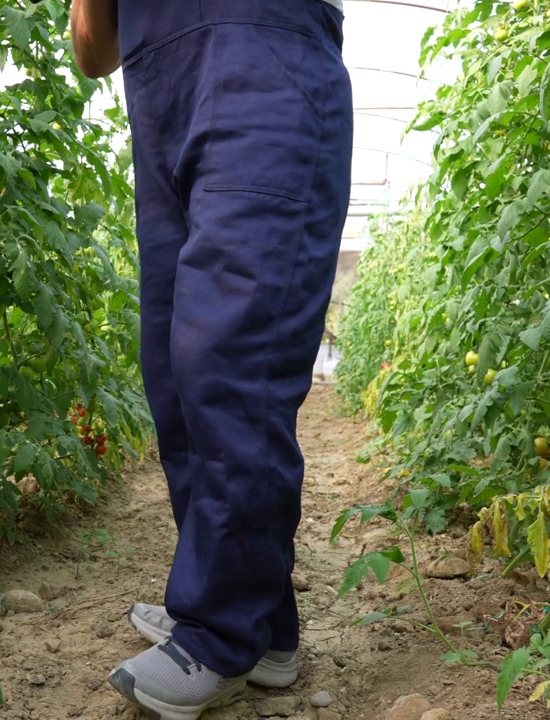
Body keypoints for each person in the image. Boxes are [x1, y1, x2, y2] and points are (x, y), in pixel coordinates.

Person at [69, 0, 354, 718]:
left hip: (263, 64)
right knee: (174, 374)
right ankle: (262, 632)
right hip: (159, 93)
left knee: (231, 361)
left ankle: (222, 633)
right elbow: (91, 51)